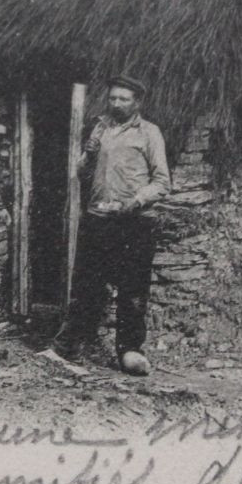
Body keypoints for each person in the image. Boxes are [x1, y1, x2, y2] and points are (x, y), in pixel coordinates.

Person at [52, 75, 170, 375]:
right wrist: (88, 154)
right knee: (86, 285)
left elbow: (162, 182)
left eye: (124, 99)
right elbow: (82, 174)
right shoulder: (101, 129)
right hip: (99, 218)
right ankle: (67, 347)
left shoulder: (149, 133)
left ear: (137, 103)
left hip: (134, 222)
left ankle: (130, 351)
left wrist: (135, 201)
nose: (116, 104)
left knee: (133, 288)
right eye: (113, 98)